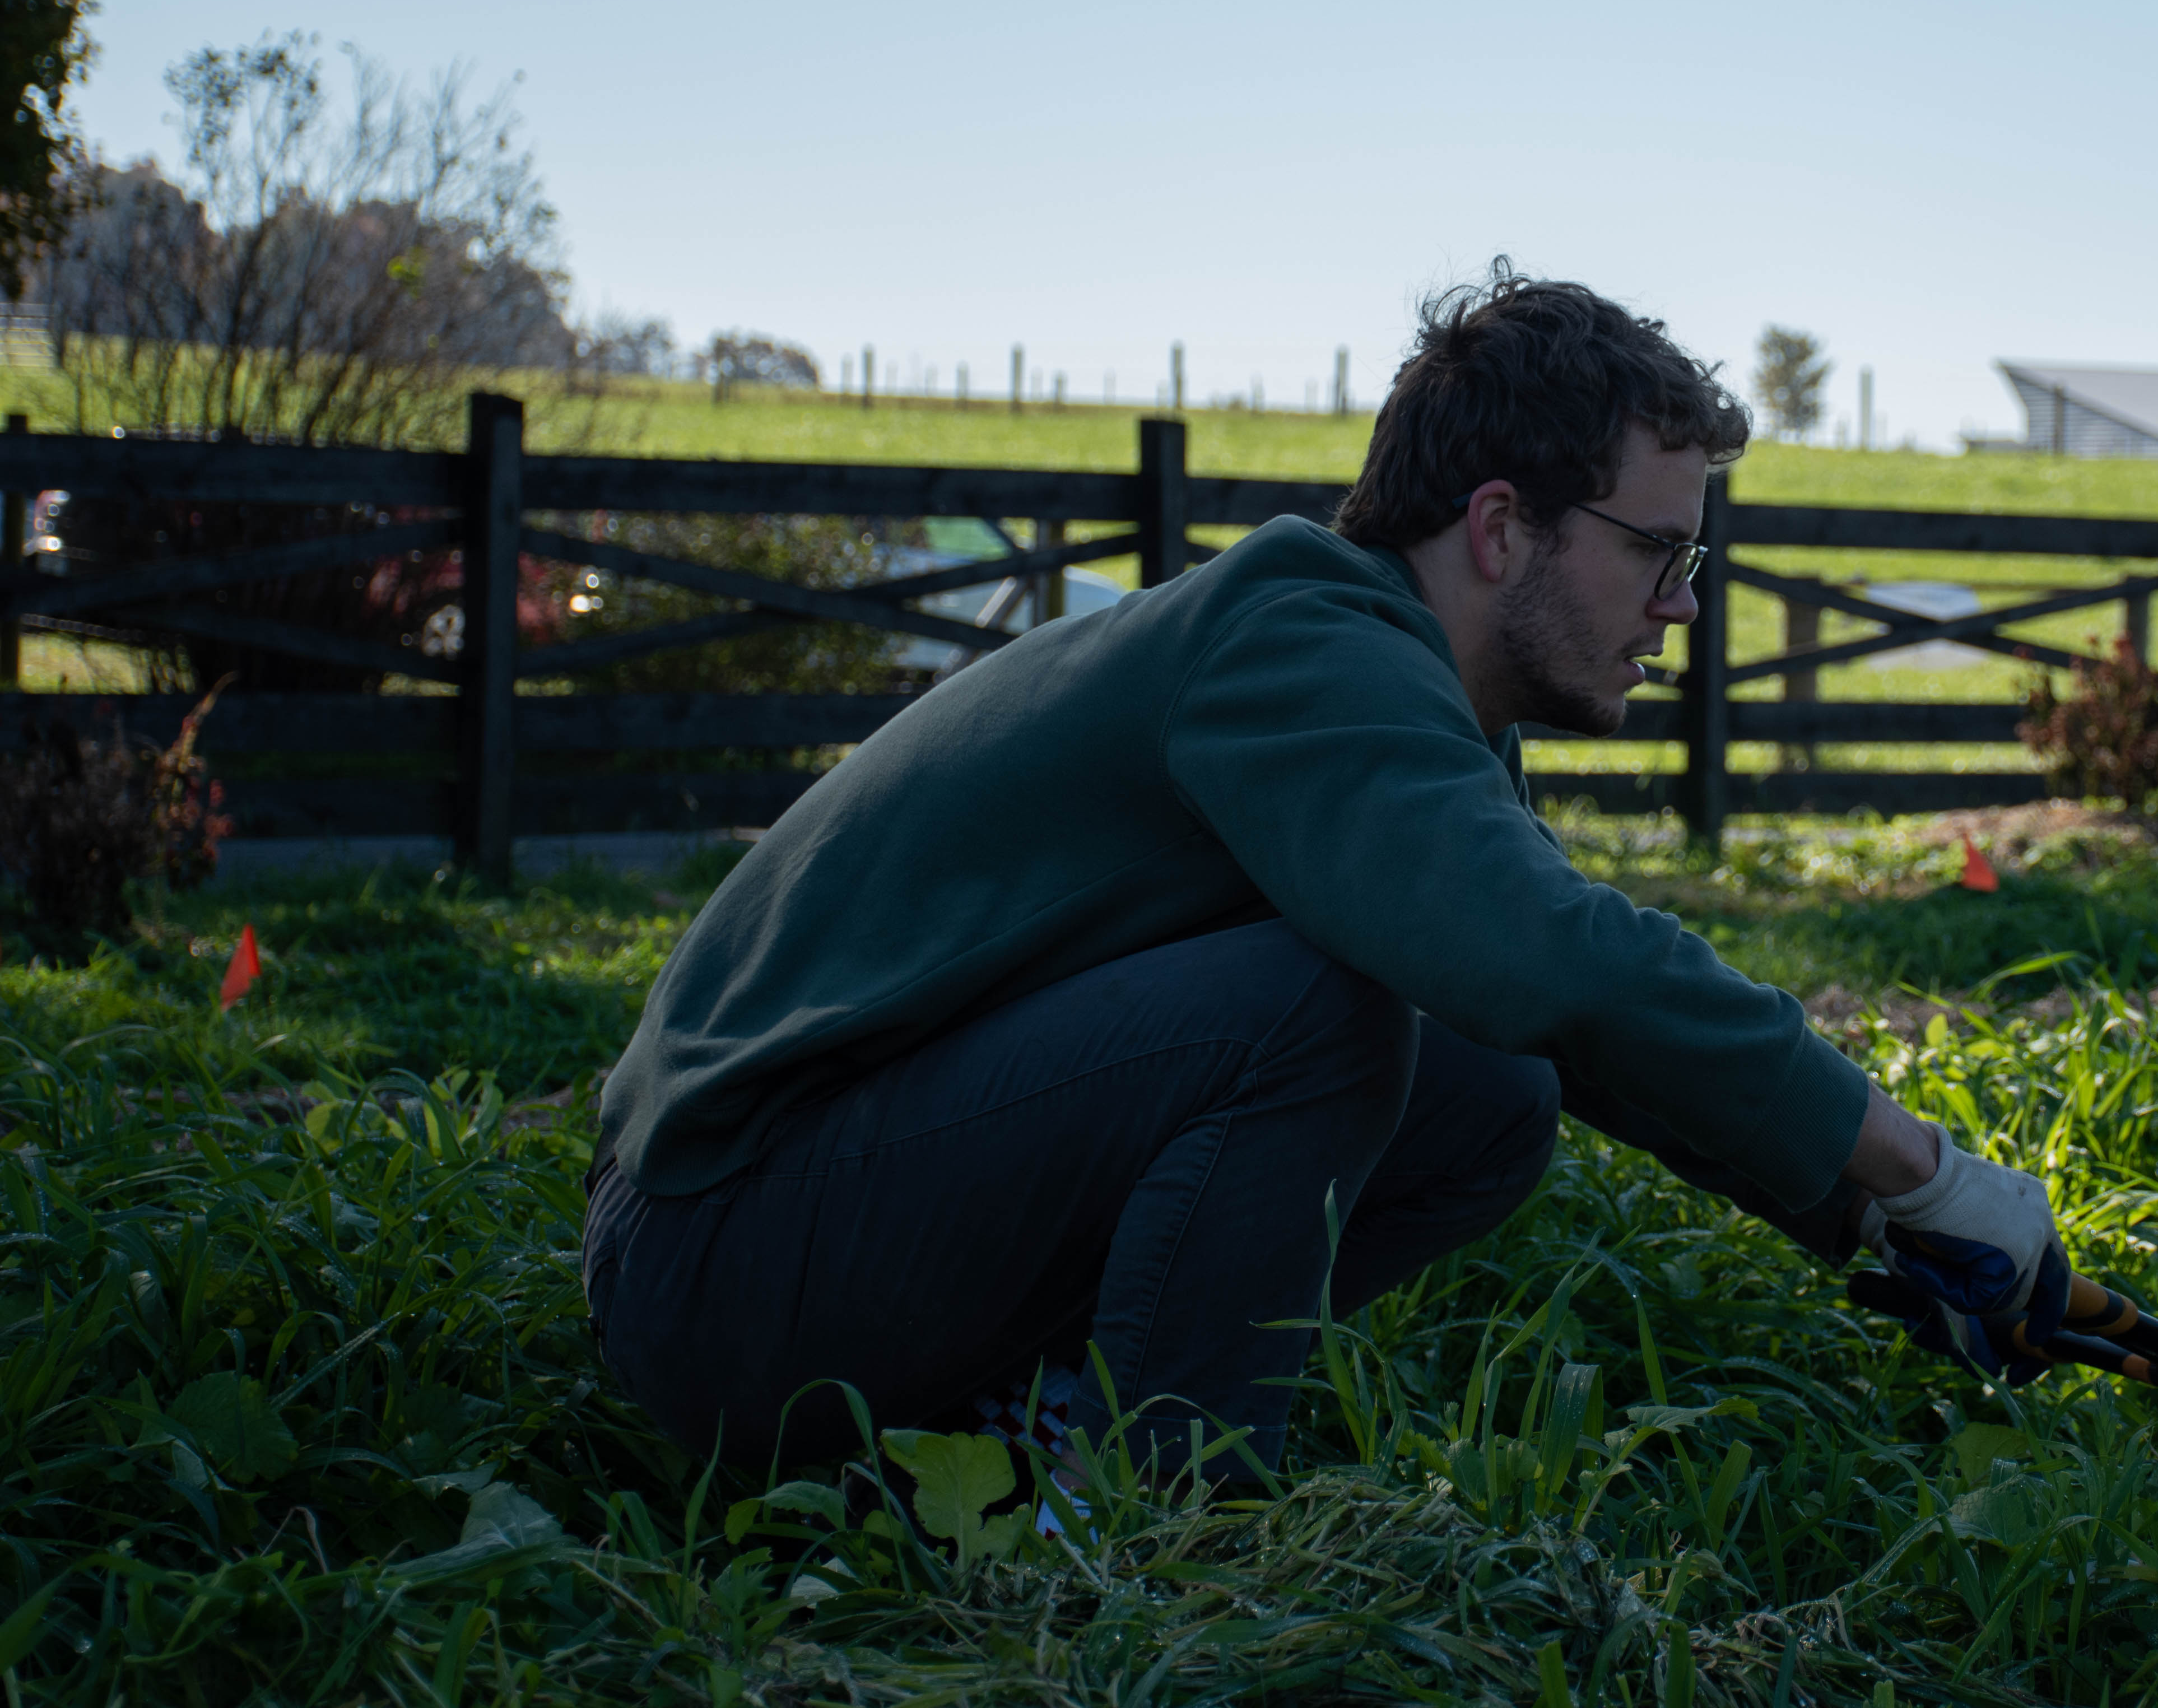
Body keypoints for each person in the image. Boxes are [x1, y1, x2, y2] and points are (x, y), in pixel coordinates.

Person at [581, 269, 2063, 1481]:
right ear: (1501, 527)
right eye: (1658, 552)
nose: (1682, 604)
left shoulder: (1408, 705)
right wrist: (1930, 1167)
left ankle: (1026, 1440)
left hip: (801, 1231)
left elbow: (1576, 1027)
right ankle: (1153, 1514)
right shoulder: (1299, 641)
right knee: (1326, 1004)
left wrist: (1880, 1228)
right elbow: (1550, 951)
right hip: (716, 1249)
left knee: (1495, 1092)